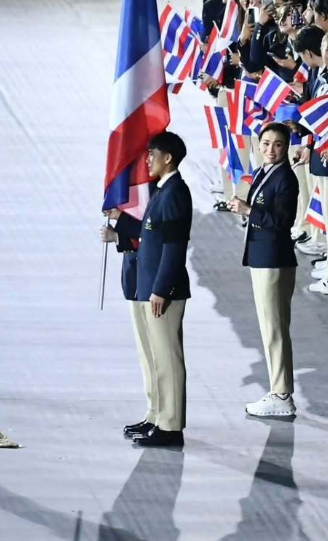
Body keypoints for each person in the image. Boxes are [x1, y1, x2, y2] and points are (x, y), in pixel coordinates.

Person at [102, 132, 193, 448]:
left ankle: (171, 426)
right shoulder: (162, 191)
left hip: (162, 290)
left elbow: (174, 246)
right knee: (155, 357)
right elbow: (148, 233)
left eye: (153, 154)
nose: (147, 160)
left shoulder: (175, 193)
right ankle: (157, 416)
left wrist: (161, 289)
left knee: (168, 359)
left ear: (168, 158)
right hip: (149, 285)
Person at [229, 123, 300, 417]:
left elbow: (282, 222)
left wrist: (248, 210)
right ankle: (278, 389)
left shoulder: (286, 178)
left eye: (278, 144)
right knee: (270, 327)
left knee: (274, 329)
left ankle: (281, 394)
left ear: (287, 147)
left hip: (274, 259)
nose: (271, 149)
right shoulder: (263, 172)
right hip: (262, 257)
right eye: (266, 143)